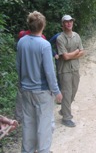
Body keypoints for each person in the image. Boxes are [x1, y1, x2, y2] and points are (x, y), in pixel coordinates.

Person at [16, 11, 62, 153]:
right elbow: (49, 72)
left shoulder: (21, 42)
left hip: (26, 91)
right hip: (42, 92)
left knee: (28, 126)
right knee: (44, 128)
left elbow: (19, 66)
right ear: (43, 25)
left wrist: (21, 85)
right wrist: (56, 91)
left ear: (29, 25)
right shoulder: (45, 45)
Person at [57, 15, 84, 128]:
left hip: (75, 68)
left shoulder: (76, 36)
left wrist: (71, 54)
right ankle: (66, 118)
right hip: (65, 70)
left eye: (70, 21)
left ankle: (64, 109)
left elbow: (82, 52)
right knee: (67, 93)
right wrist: (75, 53)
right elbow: (65, 57)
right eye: (66, 22)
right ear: (62, 24)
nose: (69, 23)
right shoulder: (60, 38)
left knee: (74, 91)